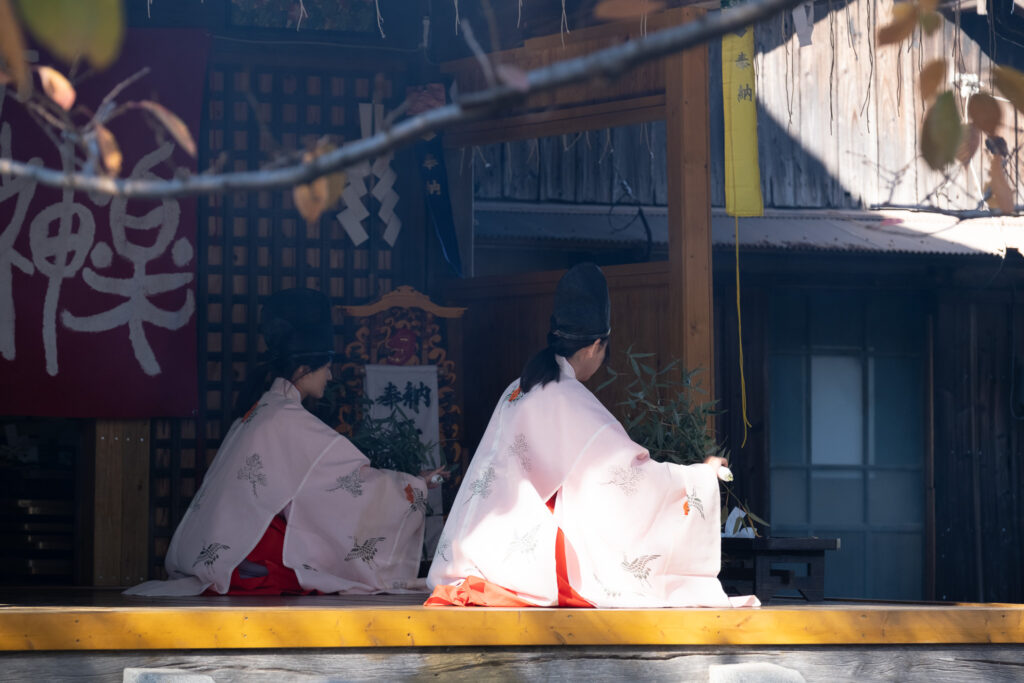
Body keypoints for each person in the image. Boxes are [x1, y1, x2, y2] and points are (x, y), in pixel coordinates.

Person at [426, 264, 758, 608]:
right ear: (596, 345)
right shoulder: (566, 396)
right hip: (526, 567)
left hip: (484, 552)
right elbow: (629, 477)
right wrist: (700, 476)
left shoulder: (520, 387)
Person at [126, 288, 444, 596]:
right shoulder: (285, 419)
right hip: (248, 555)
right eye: (327, 368)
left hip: (227, 547)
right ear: (305, 369)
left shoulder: (263, 409)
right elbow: (354, 484)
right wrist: (415, 485)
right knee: (314, 551)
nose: (330, 377)